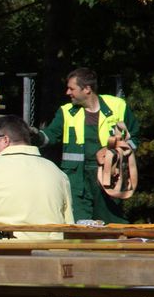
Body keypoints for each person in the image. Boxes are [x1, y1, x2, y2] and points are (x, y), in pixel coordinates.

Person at [36, 67, 140, 222]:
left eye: (72, 88)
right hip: (77, 183)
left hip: (110, 179)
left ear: (87, 89)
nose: (68, 93)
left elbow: (135, 137)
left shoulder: (118, 106)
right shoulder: (66, 112)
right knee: (78, 229)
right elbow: (50, 136)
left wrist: (115, 151)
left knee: (112, 229)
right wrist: (34, 135)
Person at [0, 115, 74, 240]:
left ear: (5, 140)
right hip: (49, 254)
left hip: (0, 254)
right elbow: (69, 224)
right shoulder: (58, 173)